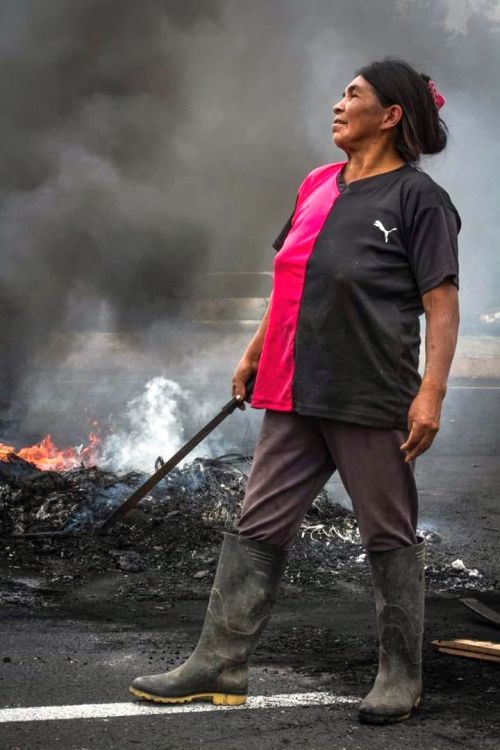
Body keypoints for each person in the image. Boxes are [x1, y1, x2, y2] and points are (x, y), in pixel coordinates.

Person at [130, 58, 460, 725]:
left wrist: (431, 394)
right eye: (340, 93)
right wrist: (253, 353)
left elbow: (442, 303)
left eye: (354, 95)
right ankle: (219, 663)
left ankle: (400, 675)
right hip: (292, 386)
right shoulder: (316, 184)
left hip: (370, 391)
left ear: (391, 115)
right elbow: (288, 279)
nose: (338, 104)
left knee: (387, 534)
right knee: (258, 524)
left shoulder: (418, 200)